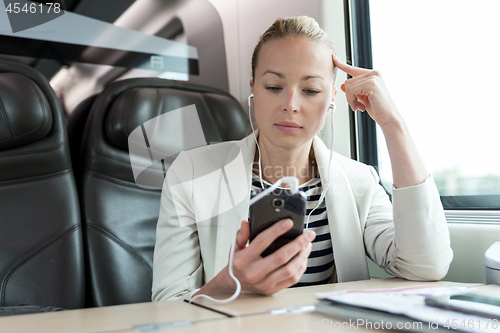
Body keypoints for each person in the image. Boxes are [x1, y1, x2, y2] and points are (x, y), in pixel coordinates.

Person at [152, 16, 453, 301]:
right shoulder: (190, 174)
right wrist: (231, 284)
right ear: (253, 89)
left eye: (310, 90)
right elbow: (167, 305)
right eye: (273, 87)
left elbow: (425, 267)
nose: (290, 104)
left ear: (332, 99)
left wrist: (392, 124)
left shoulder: (359, 181)